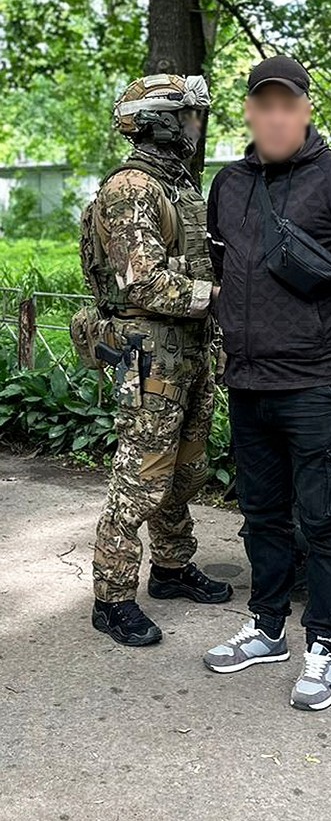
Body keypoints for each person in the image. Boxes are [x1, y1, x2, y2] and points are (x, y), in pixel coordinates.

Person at [203, 54, 331, 710]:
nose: (275, 117)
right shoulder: (227, 185)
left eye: (287, 105)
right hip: (248, 383)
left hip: (316, 383)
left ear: (306, 110)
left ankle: (324, 645)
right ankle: (266, 628)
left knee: (323, 520)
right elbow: (222, 266)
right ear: (249, 112)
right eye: (263, 105)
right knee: (262, 515)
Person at [87, 74, 232, 647]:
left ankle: (171, 568)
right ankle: (112, 598)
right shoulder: (131, 188)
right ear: (160, 122)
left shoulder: (179, 187)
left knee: (186, 471)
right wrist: (223, 298)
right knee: (141, 479)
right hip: (149, 356)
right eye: (188, 116)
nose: (197, 126)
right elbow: (143, 283)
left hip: (188, 350)